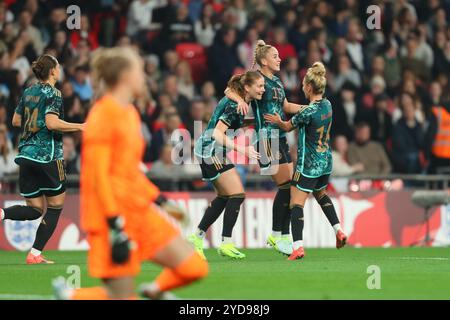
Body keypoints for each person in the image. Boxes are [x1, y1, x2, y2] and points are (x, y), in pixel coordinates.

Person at [52, 47, 208, 300]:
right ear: (125, 76)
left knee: (194, 267)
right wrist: (115, 224)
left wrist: (160, 201)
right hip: (111, 218)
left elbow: (129, 171)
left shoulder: (131, 113)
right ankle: (73, 297)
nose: (144, 78)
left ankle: (153, 291)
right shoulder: (103, 115)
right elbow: (97, 177)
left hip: (138, 210)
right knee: (122, 298)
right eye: (139, 71)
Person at [0, 54, 84, 264]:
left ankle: (1, 214)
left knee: (35, 209)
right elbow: (53, 123)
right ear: (53, 71)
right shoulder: (53, 93)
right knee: (55, 206)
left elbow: (16, 120)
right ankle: (35, 254)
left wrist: (35, 124)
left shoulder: (29, 91)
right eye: (58, 65)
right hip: (47, 156)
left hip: (26, 155)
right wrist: (80, 126)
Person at [225, 40, 306, 256]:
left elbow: (286, 107)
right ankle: (279, 235)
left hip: (280, 136)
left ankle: (280, 236)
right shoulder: (256, 79)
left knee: (290, 188)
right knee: (287, 186)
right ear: (263, 60)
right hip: (265, 138)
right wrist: (239, 101)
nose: (280, 59)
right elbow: (229, 89)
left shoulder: (278, 82)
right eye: (275, 56)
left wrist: (310, 108)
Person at [264, 62, 347, 260]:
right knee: (321, 195)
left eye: (303, 85)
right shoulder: (328, 105)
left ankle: (298, 246)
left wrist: (277, 121)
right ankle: (339, 230)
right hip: (326, 161)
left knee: (296, 204)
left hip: (308, 165)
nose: (302, 88)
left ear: (309, 87)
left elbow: (286, 127)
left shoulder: (306, 113)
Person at [188, 71, 264, 260]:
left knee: (225, 196)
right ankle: (226, 243)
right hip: (210, 150)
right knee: (237, 194)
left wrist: (257, 121)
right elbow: (217, 134)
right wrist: (243, 150)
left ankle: (196, 237)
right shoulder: (233, 105)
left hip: (211, 150)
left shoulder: (240, 101)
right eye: (260, 86)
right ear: (247, 88)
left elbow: (229, 93)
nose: (263, 89)